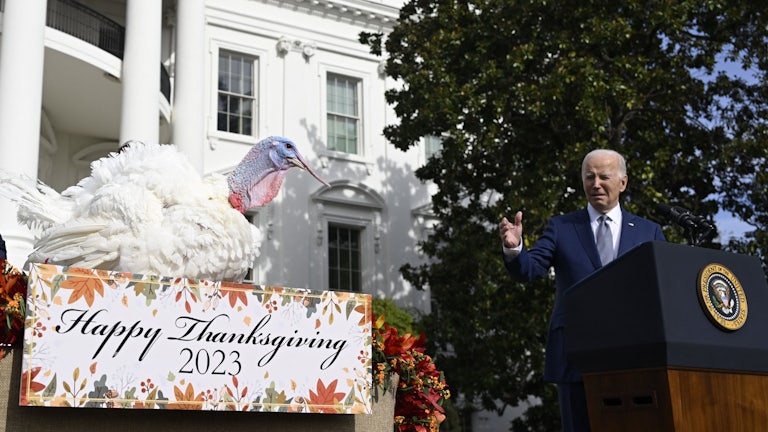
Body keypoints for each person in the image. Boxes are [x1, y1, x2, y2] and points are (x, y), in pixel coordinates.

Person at [498, 149, 665, 432]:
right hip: (575, 355)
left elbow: (661, 291)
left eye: (604, 176)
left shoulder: (649, 232)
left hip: (635, 355)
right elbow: (530, 269)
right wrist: (514, 248)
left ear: (623, 182)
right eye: (589, 177)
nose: (596, 183)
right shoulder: (562, 227)